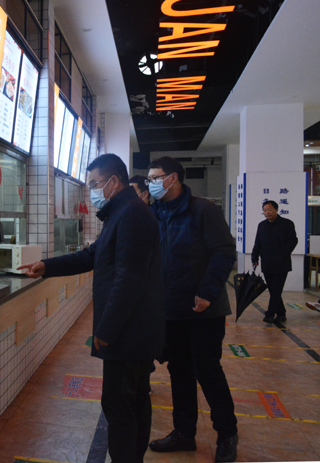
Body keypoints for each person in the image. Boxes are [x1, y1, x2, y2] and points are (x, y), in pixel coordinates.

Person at [18, 154, 165, 463]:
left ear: (114, 182)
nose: (92, 190)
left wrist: (106, 330)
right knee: (133, 401)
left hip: (128, 332)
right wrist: (47, 266)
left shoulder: (131, 214)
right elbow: (92, 255)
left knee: (120, 405)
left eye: (95, 184)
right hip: (132, 329)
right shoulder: (121, 212)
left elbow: (129, 279)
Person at [146, 157, 238, 463]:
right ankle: (184, 433)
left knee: (208, 371)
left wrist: (207, 293)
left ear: (172, 178)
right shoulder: (155, 213)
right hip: (171, 310)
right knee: (179, 372)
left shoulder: (203, 210)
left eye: (154, 178)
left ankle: (227, 434)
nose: (150, 184)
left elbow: (224, 252)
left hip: (203, 310)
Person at [251, 200, 298, 323]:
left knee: (276, 289)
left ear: (276, 210)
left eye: (270, 210)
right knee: (273, 290)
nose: (267, 212)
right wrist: (254, 258)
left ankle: (270, 314)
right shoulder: (262, 225)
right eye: (265, 210)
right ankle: (281, 314)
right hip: (267, 263)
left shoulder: (287, 224)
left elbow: (293, 241)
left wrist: (283, 254)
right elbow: (257, 243)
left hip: (281, 264)